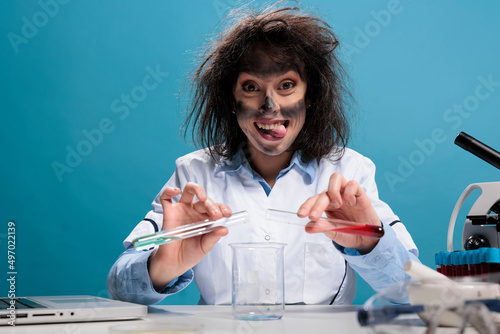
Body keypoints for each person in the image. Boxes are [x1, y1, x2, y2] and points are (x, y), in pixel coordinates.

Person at [107, 4, 419, 306]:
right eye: (251, 87)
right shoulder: (193, 175)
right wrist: (162, 264)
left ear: (310, 95)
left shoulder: (351, 171)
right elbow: (119, 287)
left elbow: (416, 293)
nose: (270, 106)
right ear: (231, 99)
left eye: (286, 85)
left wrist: (371, 241)